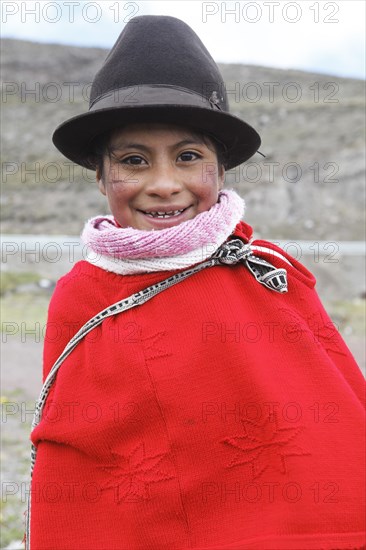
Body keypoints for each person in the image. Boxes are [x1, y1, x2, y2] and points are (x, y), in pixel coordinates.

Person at [26, 15, 365, 550]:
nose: (164, 184)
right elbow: (75, 469)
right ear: (100, 176)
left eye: (188, 157)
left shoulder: (268, 275)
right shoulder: (80, 298)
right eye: (133, 161)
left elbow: (339, 441)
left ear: (220, 170)